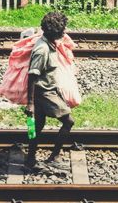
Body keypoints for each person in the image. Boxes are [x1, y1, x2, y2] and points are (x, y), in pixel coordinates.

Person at [25, 11, 75, 169]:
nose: (64, 32)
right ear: (55, 32)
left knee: (37, 126)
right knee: (68, 122)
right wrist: (30, 103)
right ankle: (54, 157)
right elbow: (32, 76)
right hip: (44, 93)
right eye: (62, 30)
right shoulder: (42, 50)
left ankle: (30, 159)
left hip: (45, 91)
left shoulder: (48, 42)